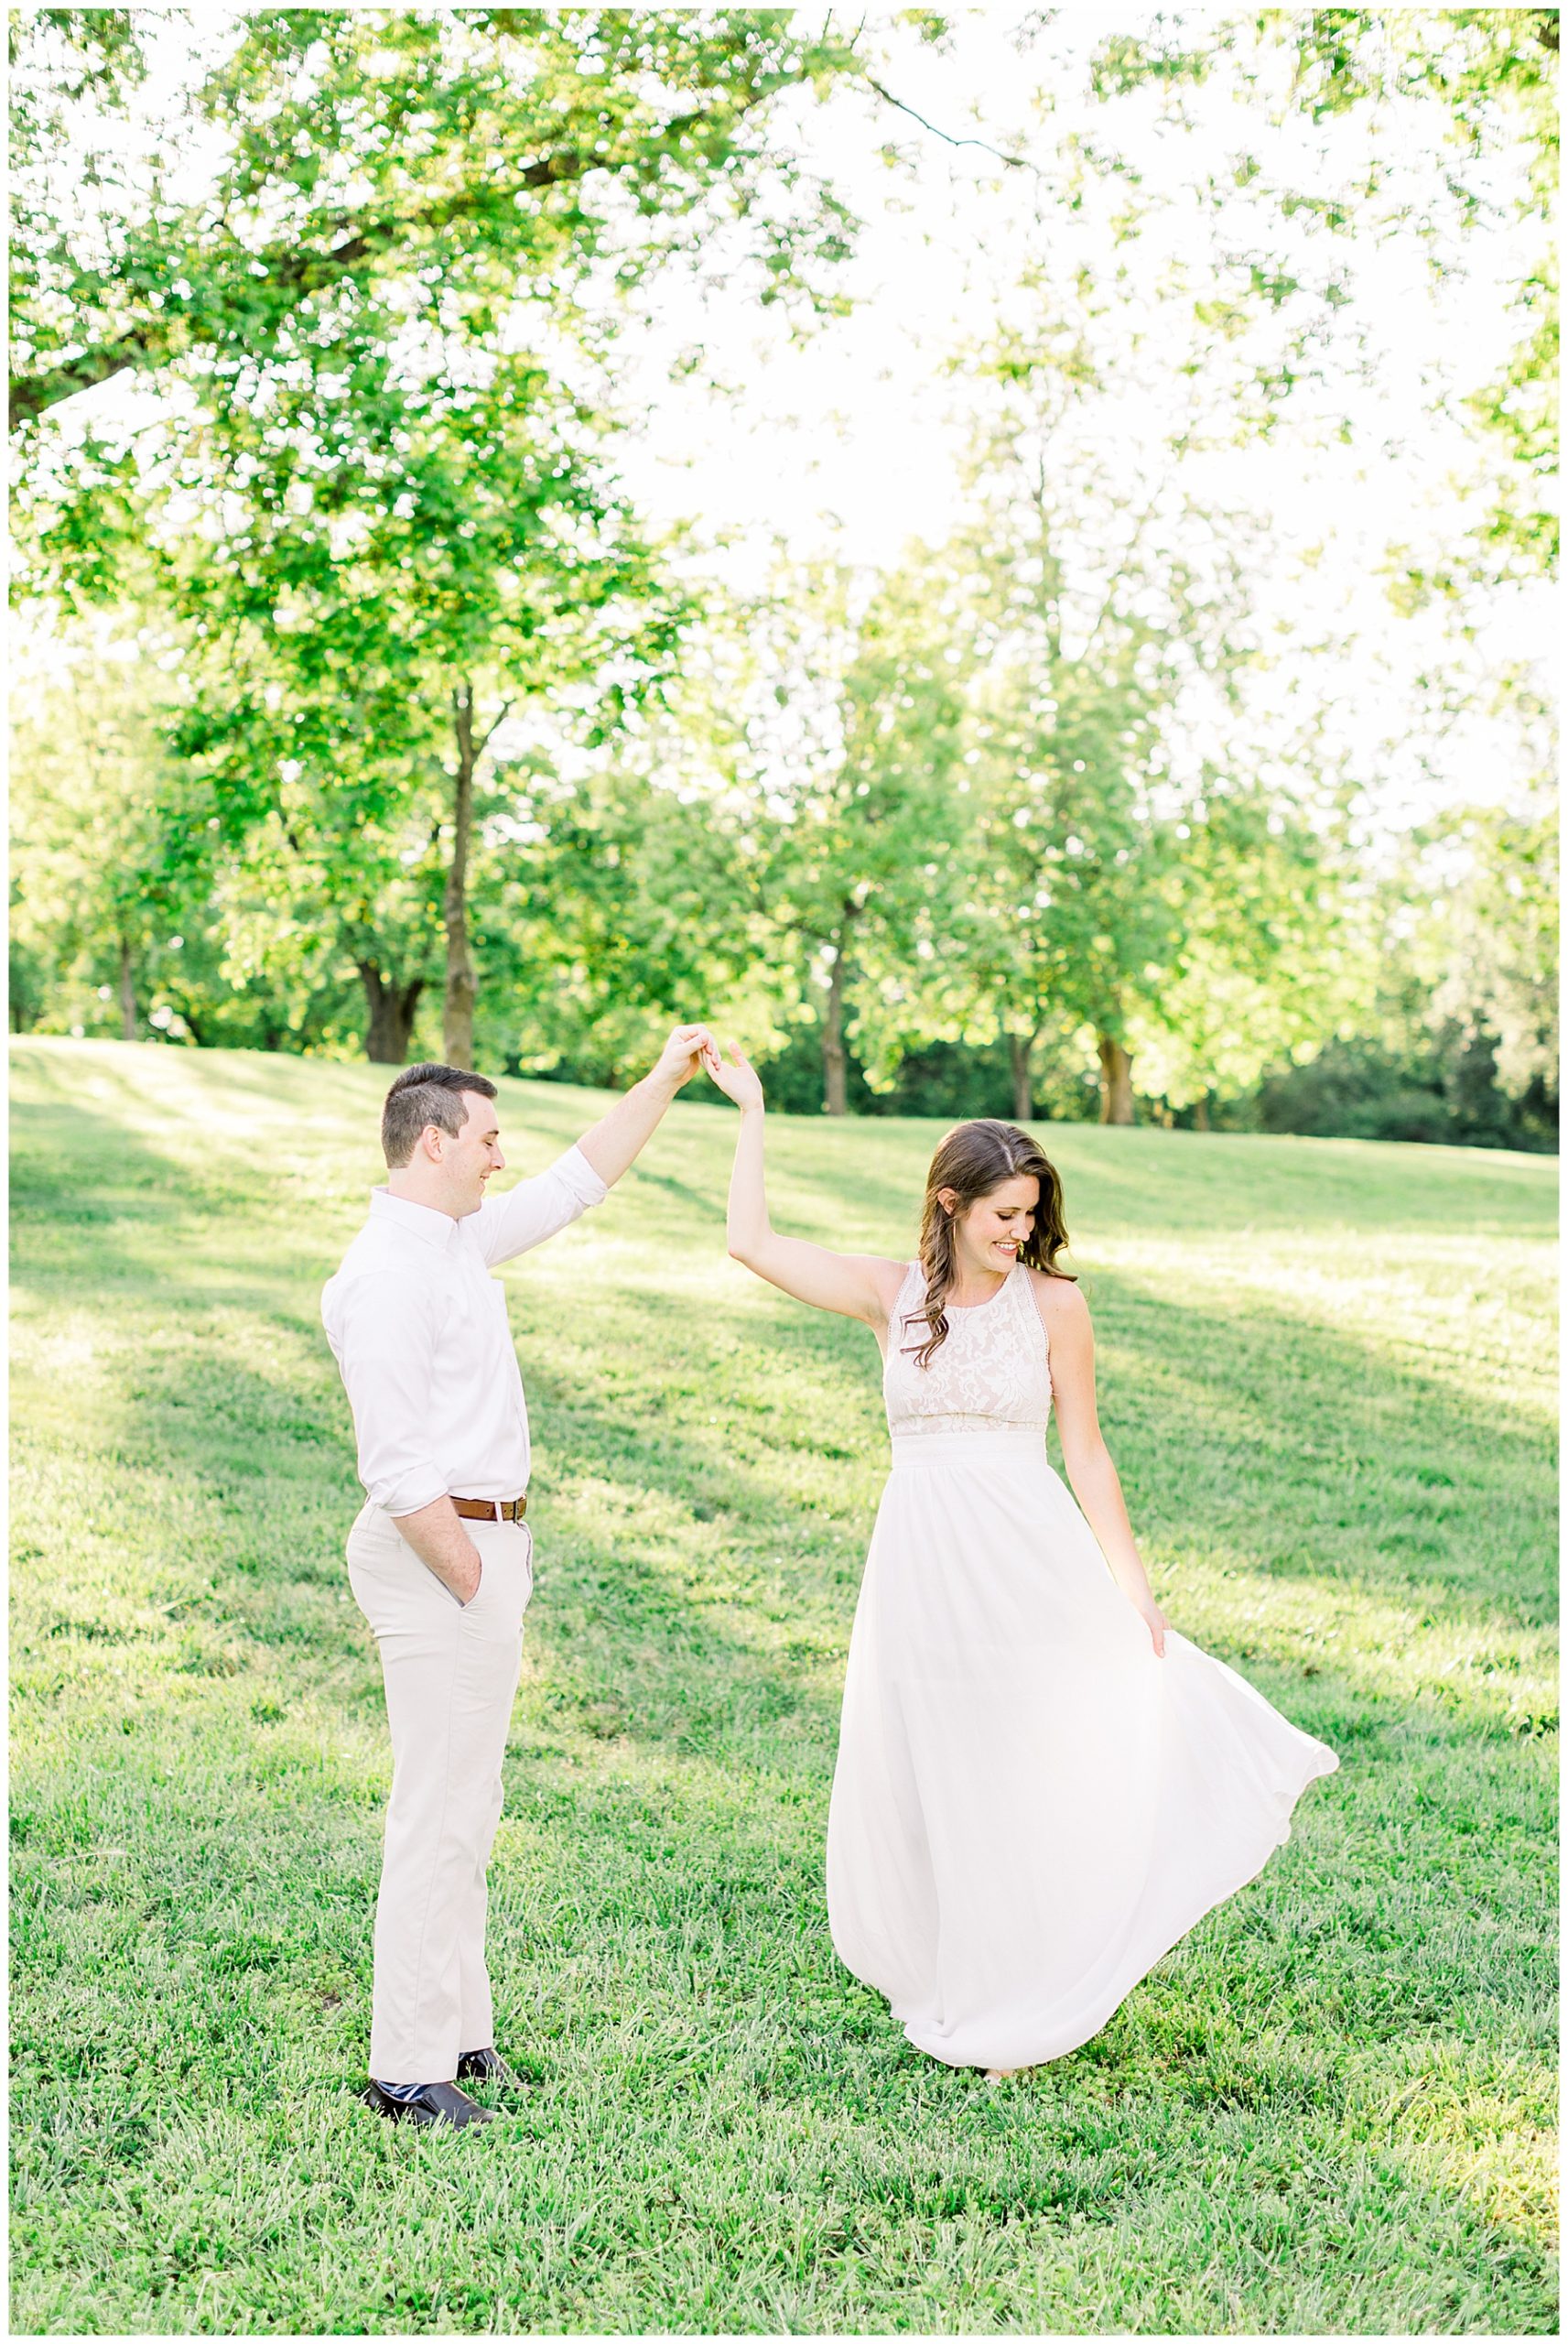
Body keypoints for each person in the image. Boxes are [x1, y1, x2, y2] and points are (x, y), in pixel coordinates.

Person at [707, 1045, 1340, 2079]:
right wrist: (753, 1111)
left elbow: (1086, 1451)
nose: (1021, 1234)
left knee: (1028, 1765)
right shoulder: (890, 1293)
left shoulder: (1055, 1304)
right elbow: (749, 1242)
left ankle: (1029, 1997)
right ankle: (966, 1974)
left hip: (1026, 1557)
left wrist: (1133, 1588)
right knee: (937, 1769)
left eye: (1032, 1217)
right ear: (950, 1204)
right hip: (920, 1564)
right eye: (1004, 1215)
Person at [321, 1027, 717, 2129]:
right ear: (436, 1142)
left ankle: (457, 2031)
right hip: (441, 1553)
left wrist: (664, 1077)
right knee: (435, 1812)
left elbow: (578, 1181)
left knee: (469, 1804)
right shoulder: (387, 1272)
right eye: (489, 1138)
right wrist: (471, 1578)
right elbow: (397, 1467)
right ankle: (406, 2068)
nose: (503, 1156)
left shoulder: (451, 1240)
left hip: (485, 1548)